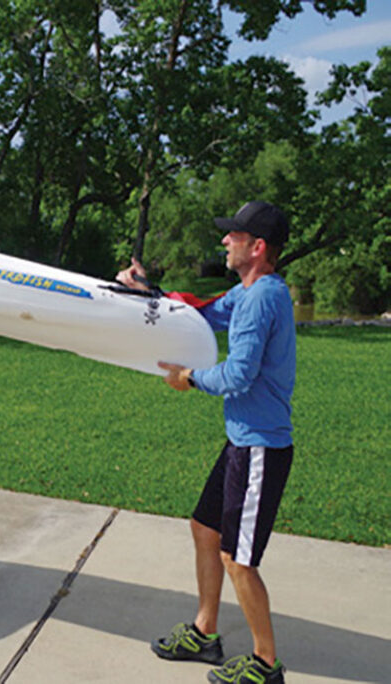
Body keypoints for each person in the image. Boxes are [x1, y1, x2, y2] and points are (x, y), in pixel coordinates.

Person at [117, 201, 296, 684]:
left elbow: (239, 375)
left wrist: (188, 378)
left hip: (260, 448)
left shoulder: (263, 299)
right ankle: (206, 631)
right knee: (204, 528)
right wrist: (146, 290)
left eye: (233, 235)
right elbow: (205, 312)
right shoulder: (249, 291)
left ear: (257, 247)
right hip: (242, 442)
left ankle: (265, 664)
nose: (224, 241)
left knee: (238, 560)